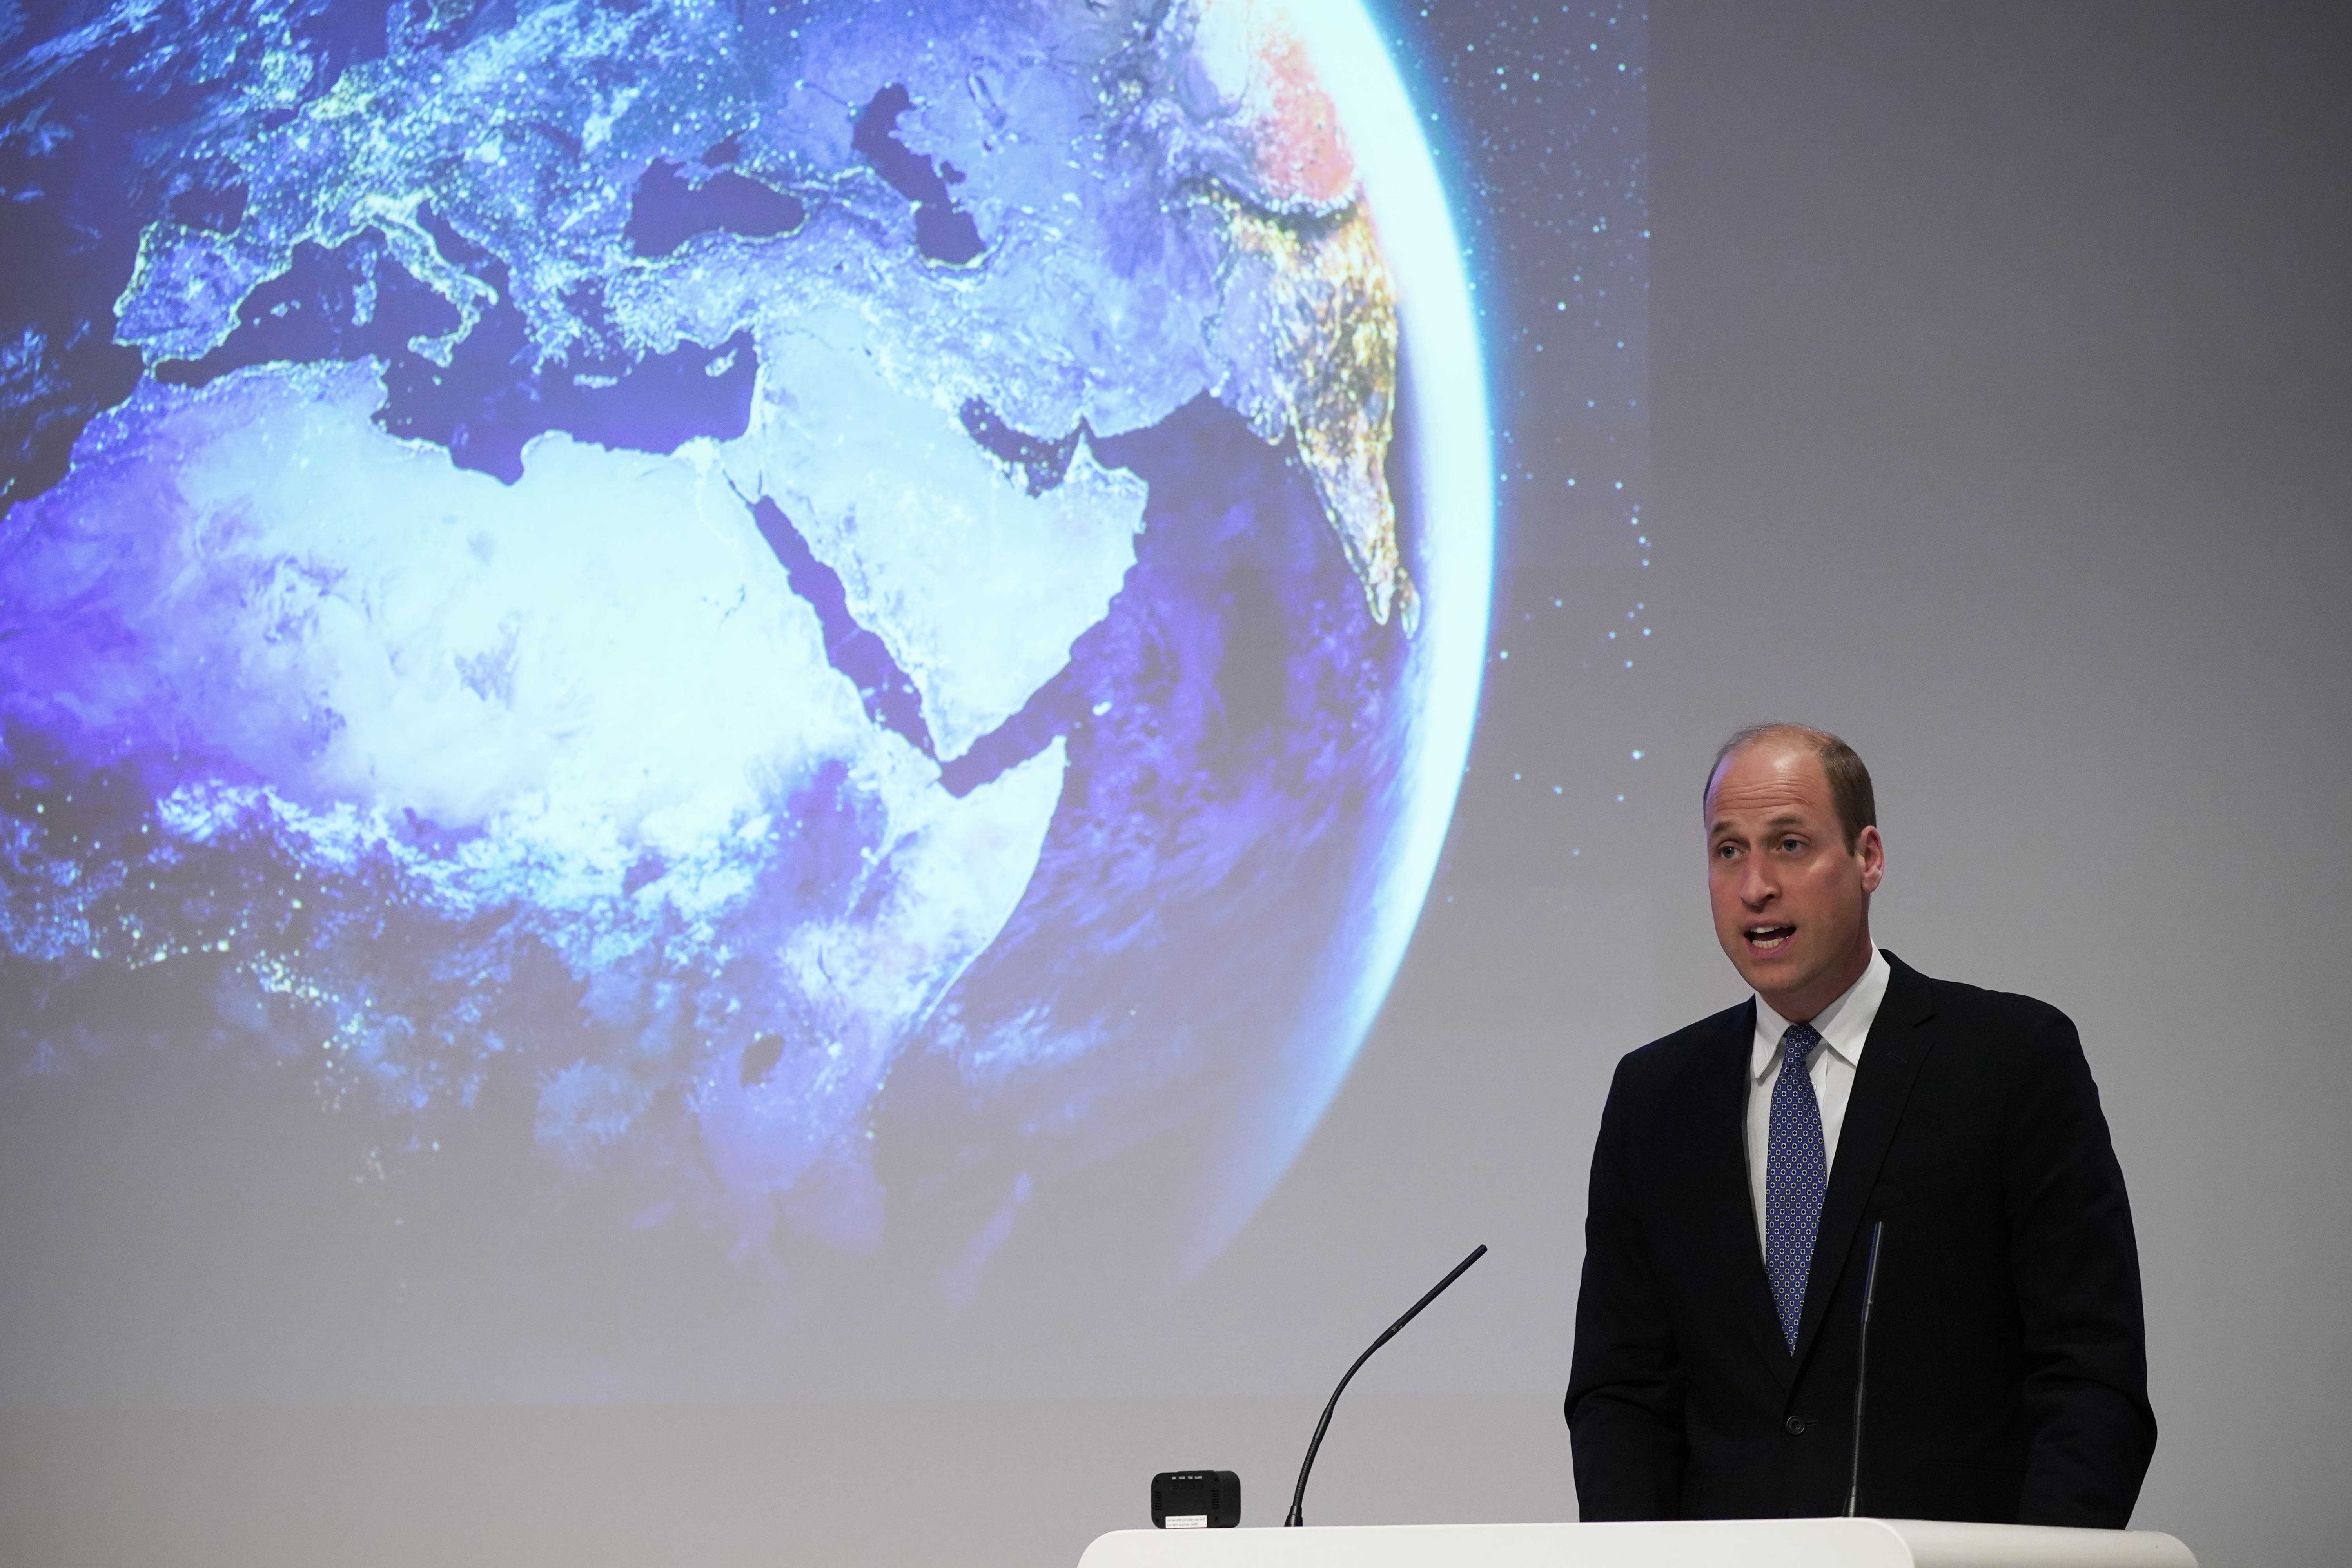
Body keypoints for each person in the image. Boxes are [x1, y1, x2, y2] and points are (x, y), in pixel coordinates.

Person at [1563, 723, 2156, 1525]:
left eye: (1790, 843)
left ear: (1869, 856)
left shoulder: (2011, 1062)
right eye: (1728, 850)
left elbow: (2090, 1374)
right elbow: (1621, 1392)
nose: (1755, 885)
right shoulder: (1656, 1095)